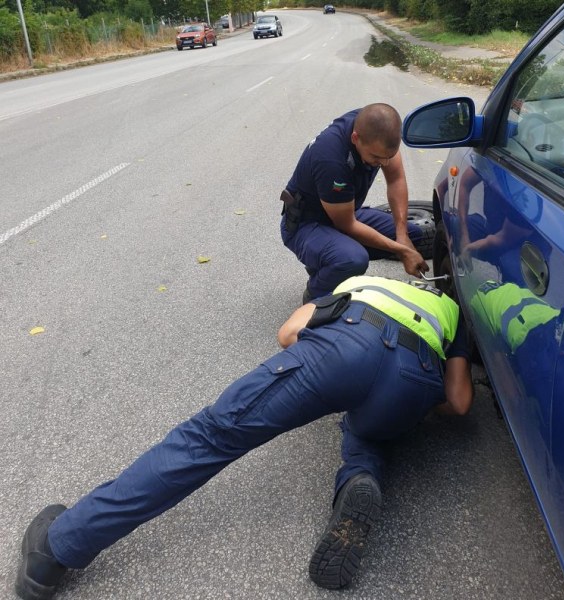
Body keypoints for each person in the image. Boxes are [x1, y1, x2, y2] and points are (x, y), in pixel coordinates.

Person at [15, 275, 473, 600]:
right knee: (367, 427)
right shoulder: (451, 313)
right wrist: (406, 394)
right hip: (415, 377)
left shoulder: (360, 281)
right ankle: (360, 474)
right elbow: (459, 403)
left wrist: (320, 381)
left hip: (348, 341)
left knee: (212, 436)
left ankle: (57, 548)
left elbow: (289, 333)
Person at [280, 103, 429, 302]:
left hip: (344, 211)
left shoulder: (378, 130)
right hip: (307, 224)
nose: (383, 163)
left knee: (412, 234)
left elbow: (396, 180)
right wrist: (402, 250)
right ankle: (315, 297)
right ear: (355, 139)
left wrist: (402, 237)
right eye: (376, 157)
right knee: (353, 259)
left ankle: (327, 261)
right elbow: (347, 225)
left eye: (389, 157)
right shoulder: (331, 159)